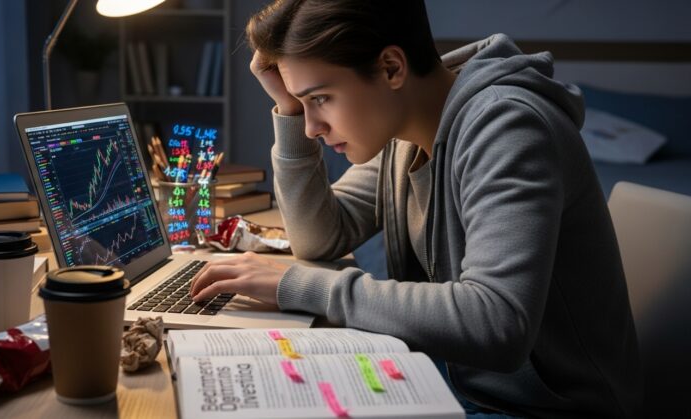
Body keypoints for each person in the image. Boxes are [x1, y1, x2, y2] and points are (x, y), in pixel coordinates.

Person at [190, 0, 642, 416]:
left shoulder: (507, 126)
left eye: (320, 99)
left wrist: (303, 285)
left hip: (540, 408)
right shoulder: (404, 134)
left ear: (391, 68)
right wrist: (287, 109)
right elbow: (320, 236)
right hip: (456, 380)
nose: (312, 128)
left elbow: (497, 320)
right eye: (304, 104)